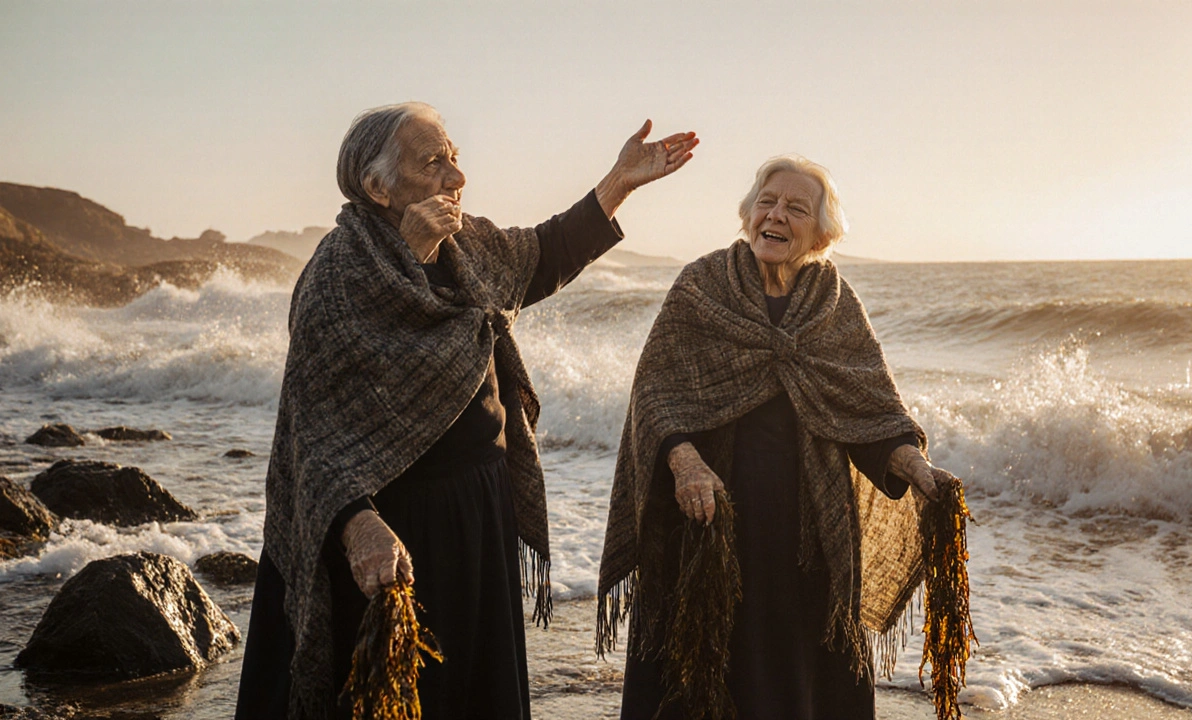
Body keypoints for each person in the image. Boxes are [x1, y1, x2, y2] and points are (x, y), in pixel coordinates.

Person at [235, 102, 697, 719]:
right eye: (433, 163)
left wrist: (619, 183)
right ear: (378, 186)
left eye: (456, 158)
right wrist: (358, 526)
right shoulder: (335, 275)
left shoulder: (469, 244)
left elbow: (544, 252)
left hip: (479, 513)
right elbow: (314, 432)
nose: (456, 178)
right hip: (391, 524)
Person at [596, 155, 957, 719]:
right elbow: (656, 396)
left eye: (797, 208)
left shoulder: (834, 305)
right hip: (709, 524)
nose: (777, 215)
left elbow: (869, 413)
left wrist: (915, 466)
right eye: (768, 201)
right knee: (698, 677)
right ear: (748, 213)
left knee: (799, 686)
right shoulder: (702, 286)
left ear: (822, 232)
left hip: (807, 535)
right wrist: (686, 464)